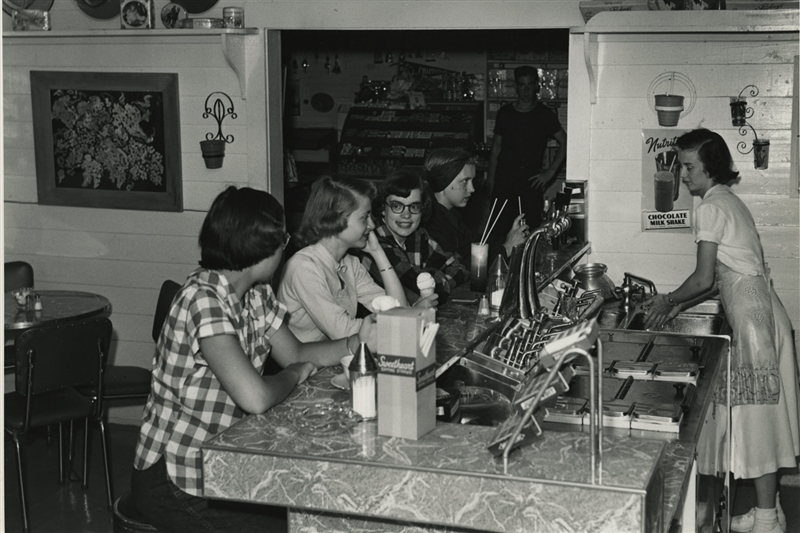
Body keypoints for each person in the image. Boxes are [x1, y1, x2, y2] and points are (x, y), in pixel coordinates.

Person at [131, 186, 376, 533]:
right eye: (282, 238)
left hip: (222, 461)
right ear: (263, 247)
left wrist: (358, 339)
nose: (285, 246)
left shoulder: (254, 294)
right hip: (176, 477)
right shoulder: (203, 299)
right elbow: (257, 397)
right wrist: (293, 375)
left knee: (310, 511)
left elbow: (298, 353)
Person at [642, 129, 799, 533]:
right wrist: (675, 301)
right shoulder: (728, 201)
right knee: (761, 419)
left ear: (710, 167)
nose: (681, 172)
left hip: (754, 323)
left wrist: (668, 301)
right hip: (764, 315)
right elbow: (715, 281)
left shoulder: (710, 209)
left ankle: (768, 521)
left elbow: (701, 279)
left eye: (688, 165)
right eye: (680, 164)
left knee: (759, 420)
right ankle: (770, 512)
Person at [278, 176, 414, 347]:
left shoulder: (350, 263)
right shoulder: (304, 268)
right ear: (336, 219)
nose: (372, 225)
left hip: (337, 359)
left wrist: (378, 252)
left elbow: (400, 311)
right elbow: (342, 332)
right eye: (365, 217)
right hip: (308, 368)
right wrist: (392, 322)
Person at [359, 167, 469, 305]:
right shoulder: (374, 243)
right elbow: (416, 293)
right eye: (397, 206)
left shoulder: (419, 236)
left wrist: (429, 279)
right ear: (382, 208)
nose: (406, 215)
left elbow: (460, 267)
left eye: (414, 207)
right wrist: (434, 277)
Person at [487, 65, 567, 239]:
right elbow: (496, 148)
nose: (526, 89)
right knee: (499, 231)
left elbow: (564, 141)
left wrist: (550, 173)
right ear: (516, 87)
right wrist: (491, 180)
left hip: (530, 182)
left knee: (529, 233)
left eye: (530, 84)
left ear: (536, 86)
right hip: (504, 181)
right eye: (522, 85)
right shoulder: (505, 113)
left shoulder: (544, 114)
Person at [422, 147, 528, 270]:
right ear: (444, 180)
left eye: (472, 181)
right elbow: (461, 266)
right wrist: (507, 248)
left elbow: (474, 241)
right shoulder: (430, 222)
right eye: (465, 181)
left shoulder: (449, 214)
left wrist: (512, 238)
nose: (472, 189)